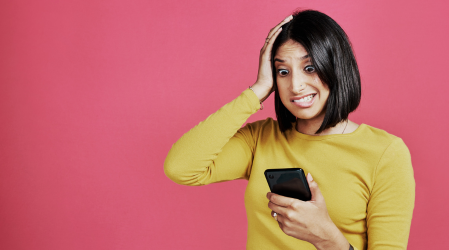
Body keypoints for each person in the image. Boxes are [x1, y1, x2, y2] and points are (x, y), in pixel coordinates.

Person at [164, 9, 415, 250]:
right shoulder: (260, 139)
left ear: (336, 67)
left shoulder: (386, 153)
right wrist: (258, 91)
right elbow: (181, 168)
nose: (295, 85)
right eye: (283, 71)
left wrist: (328, 240)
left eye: (310, 68)